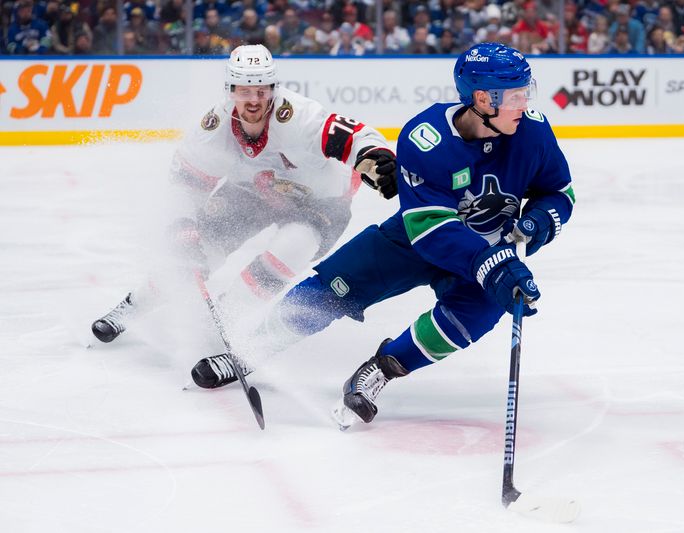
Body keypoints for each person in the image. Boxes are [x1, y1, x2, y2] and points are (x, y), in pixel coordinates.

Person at [190, 43, 575, 430]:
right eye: (514, 96)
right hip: (415, 243)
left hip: (486, 258)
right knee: (331, 289)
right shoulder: (427, 139)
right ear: (481, 98)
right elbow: (430, 230)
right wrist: (492, 263)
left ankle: (381, 369)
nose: (524, 105)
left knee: (474, 316)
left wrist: (539, 221)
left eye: (526, 92)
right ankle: (249, 352)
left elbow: (560, 192)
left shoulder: (533, 133)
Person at [91, 45, 397, 362]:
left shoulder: (299, 117)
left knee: (293, 246)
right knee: (199, 248)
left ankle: (223, 319)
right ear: (231, 91)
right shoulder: (214, 126)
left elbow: (357, 136)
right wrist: (183, 227)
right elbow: (186, 183)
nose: (253, 100)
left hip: (321, 202)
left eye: (262, 90)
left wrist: (375, 155)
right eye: (244, 91)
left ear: (274, 89)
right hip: (255, 190)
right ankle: (132, 306)